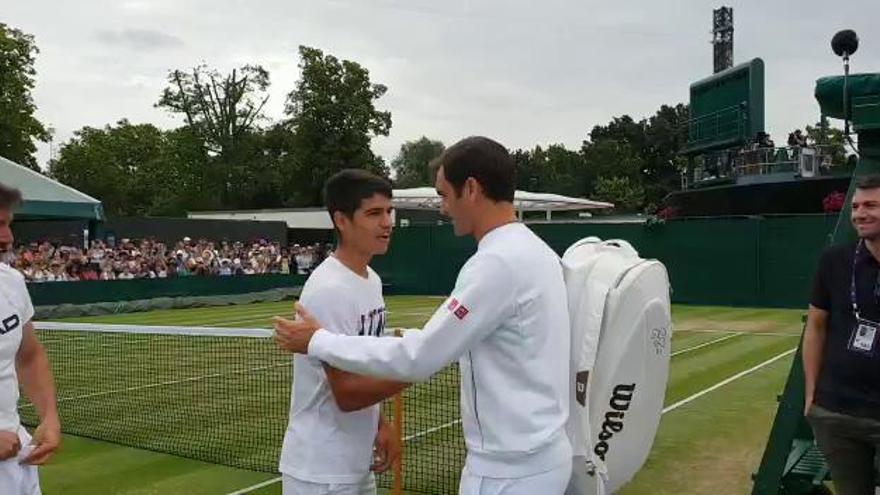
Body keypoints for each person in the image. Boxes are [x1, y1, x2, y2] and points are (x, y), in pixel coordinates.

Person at [274, 136, 573, 494]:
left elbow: (423, 356)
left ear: (472, 189)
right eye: (375, 213)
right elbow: (356, 386)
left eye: (444, 195)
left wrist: (317, 341)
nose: (443, 208)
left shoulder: (497, 262)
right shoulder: (536, 252)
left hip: (511, 469)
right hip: (534, 458)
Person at [275, 169, 406, 495]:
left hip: (354, 464)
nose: (387, 222)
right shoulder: (329, 289)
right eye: (374, 213)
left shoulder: (371, 280)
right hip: (321, 471)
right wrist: (416, 365)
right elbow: (347, 392)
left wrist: (379, 423)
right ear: (342, 221)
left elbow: (363, 364)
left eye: (388, 211)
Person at [804, 174, 880, 495]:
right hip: (838, 414)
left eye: (872, 205)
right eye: (856, 206)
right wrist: (812, 397)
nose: (860, 213)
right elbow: (816, 326)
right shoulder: (834, 260)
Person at [0, 182, 62, 494]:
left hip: (16, 459)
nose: (7, 238)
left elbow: (29, 355)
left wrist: (49, 418)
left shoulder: (11, 283)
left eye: (8, 225)